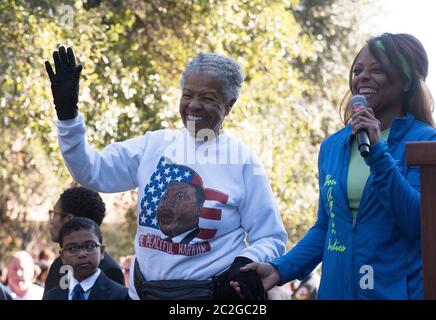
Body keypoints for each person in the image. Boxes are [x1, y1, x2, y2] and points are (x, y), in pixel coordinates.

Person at [45, 47, 287, 299]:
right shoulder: (154, 145)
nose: (194, 105)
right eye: (187, 95)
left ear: (229, 105)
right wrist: (68, 117)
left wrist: (246, 261)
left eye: (207, 98)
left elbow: (271, 237)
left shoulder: (242, 160)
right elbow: (91, 171)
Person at [231, 33, 436, 300]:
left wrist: (378, 154)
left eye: (377, 70)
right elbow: (326, 227)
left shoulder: (425, 142)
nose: (362, 77)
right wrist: (279, 269)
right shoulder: (333, 147)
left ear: (406, 81)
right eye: (357, 70)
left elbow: (418, 222)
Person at [44, 186, 124, 293]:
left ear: (69, 219)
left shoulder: (110, 270)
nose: (51, 221)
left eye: (54, 214)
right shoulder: (58, 265)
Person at [43, 217, 129, 300]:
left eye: (89, 246)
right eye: (72, 249)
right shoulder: (51, 297)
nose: (81, 254)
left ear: (102, 251)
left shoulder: (121, 295)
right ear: (62, 256)